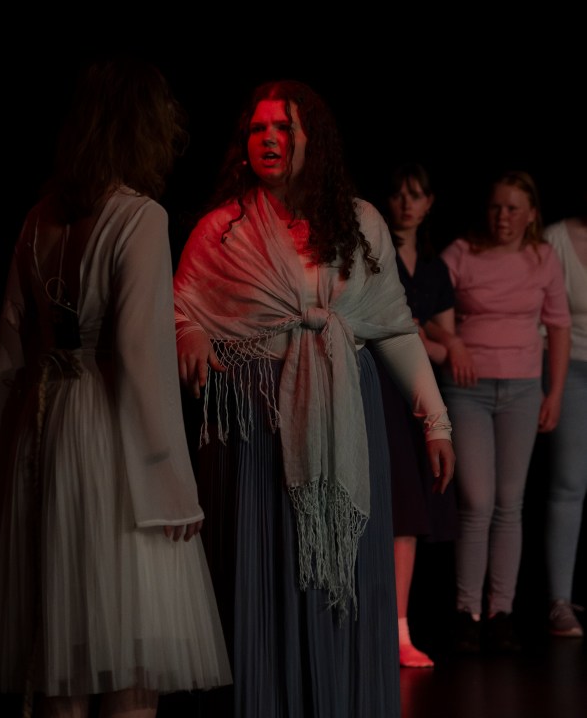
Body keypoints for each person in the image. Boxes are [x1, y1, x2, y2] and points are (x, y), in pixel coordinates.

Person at [172, 80, 455, 718]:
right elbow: (178, 307)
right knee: (265, 571)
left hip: (343, 423)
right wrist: (188, 334)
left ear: (313, 141)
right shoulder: (223, 230)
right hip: (256, 433)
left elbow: (394, 327)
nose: (269, 139)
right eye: (258, 129)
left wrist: (436, 421)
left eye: (284, 128)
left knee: (339, 576)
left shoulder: (360, 223)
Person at [0, 57, 232, 718]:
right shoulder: (140, 217)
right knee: (130, 657)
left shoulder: (37, 219)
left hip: (46, 430)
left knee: (61, 655)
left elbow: (10, 352)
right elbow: (140, 355)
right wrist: (173, 488)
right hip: (115, 444)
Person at [434, 170, 571, 655]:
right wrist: (452, 341)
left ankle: (501, 612)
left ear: (531, 214)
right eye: (496, 207)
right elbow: (423, 307)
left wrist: (554, 393)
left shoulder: (543, 257)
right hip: (468, 389)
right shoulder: (461, 253)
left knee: (510, 502)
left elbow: (558, 326)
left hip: (522, 390)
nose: (503, 216)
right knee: (477, 500)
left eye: (514, 208)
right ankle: (467, 611)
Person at [377, 163, 460, 667]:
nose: (406, 203)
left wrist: (428, 339)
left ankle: (401, 629)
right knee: (381, 506)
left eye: (416, 194)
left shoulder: (432, 268)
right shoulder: (373, 251)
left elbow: (446, 349)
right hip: (377, 390)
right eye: (398, 194)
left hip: (416, 397)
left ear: (430, 203)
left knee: (409, 512)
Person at [542, 193, 587, 637]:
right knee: (570, 482)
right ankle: (560, 601)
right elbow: (544, 318)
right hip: (570, 367)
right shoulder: (556, 238)